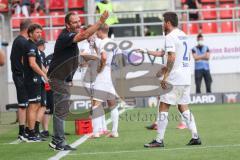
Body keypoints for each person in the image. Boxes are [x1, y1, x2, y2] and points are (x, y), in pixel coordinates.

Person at [47, 11, 109, 151]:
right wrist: (100, 22)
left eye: (78, 21)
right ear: (67, 25)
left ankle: (57, 140)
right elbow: (84, 35)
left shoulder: (68, 37)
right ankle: (58, 142)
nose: (78, 24)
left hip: (63, 78)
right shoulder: (65, 36)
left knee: (61, 110)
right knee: (61, 111)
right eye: (74, 22)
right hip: (59, 79)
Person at [144, 12, 201, 148]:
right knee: (183, 107)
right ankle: (195, 136)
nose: (162, 25)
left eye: (163, 22)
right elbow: (165, 53)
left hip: (174, 78)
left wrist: (165, 77)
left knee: (163, 106)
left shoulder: (169, 36)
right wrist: (147, 52)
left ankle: (159, 140)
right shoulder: (183, 35)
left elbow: (171, 58)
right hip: (185, 77)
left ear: (168, 23)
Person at [91, 24, 119, 138]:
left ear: (99, 30)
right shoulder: (113, 42)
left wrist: (100, 68)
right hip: (111, 73)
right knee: (112, 104)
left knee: (96, 103)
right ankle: (114, 131)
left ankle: (96, 133)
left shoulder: (103, 42)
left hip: (103, 74)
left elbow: (103, 57)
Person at [23, 23, 48, 142]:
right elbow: (32, 64)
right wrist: (43, 75)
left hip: (35, 79)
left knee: (36, 105)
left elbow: (39, 64)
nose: (39, 34)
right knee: (33, 106)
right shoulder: (31, 46)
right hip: (32, 79)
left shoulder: (33, 45)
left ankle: (30, 131)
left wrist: (46, 75)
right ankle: (31, 133)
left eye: (40, 32)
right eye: (37, 32)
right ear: (30, 33)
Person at [10, 19, 31, 141]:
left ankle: (27, 130)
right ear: (28, 29)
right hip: (21, 76)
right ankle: (22, 132)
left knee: (27, 104)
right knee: (23, 104)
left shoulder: (18, 41)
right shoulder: (22, 42)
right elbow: (24, 60)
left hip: (19, 75)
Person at [34, 39, 48, 137]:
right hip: (38, 81)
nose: (44, 47)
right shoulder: (40, 53)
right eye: (43, 45)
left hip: (36, 81)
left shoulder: (38, 53)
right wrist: (46, 76)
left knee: (37, 106)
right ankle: (35, 129)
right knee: (41, 106)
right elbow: (42, 67)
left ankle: (32, 129)